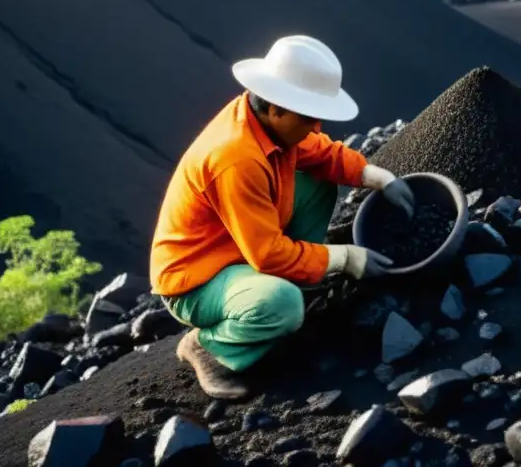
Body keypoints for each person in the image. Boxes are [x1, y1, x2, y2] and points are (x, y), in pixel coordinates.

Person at [149, 35, 415, 400]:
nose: (318, 127)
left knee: (319, 182)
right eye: (310, 117)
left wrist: (376, 177)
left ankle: (296, 280)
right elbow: (268, 255)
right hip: (197, 278)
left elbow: (321, 153)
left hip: (237, 244)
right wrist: (346, 258)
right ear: (277, 109)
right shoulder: (235, 158)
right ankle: (208, 346)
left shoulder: (264, 120)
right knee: (283, 306)